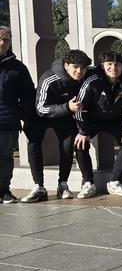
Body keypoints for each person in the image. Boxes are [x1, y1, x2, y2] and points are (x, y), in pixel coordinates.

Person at [22, 50, 93, 202]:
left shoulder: (86, 74)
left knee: (67, 146)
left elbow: (106, 69)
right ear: (66, 65)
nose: (79, 71)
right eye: (75, 67)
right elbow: (41, 108)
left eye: (83, 68)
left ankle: (63, 184)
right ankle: (38, 186)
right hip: (40, 115)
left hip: (64, 115)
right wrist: (67, 107)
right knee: (34, 144)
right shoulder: (49, 78)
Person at [73, 51, 122, 197]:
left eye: (117, 64)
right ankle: (88, 183)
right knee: (80, 143)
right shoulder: (92, 80)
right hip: (92, 119)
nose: (113, 68)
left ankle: (115, 182)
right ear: (103, 66)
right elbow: (80, 106)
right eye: (109, 64)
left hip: (115, 119)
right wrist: (83, 131)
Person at [0, 26, 35, 203]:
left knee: (5, 159)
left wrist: (23, 115)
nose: (2, 43)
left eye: (5, 40)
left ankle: (3, 191)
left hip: (7, 122)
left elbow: (28, 94)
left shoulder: (18, 68)